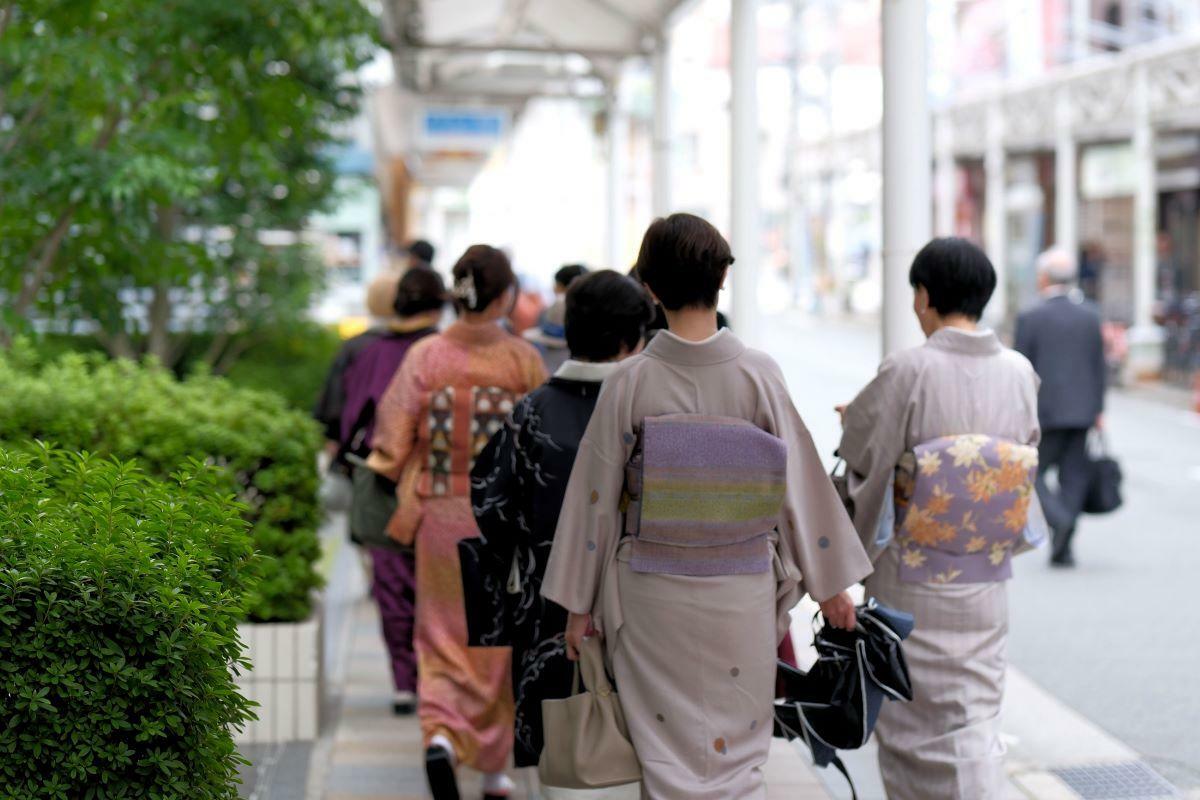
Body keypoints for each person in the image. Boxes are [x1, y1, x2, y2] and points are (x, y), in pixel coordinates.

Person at [542, 213, 872, 798]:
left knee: (663, 755)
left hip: (651, 593)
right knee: (739, 756)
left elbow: (594, 499)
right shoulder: (757, 374)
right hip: (739, 591)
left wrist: (576, 604)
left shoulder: (629, 382)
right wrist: (830, 586)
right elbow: (800, 487)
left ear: (649, 287)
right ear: (723, 277)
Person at [839, 237, 1042, 799]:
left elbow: (866, 460)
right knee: (974, 718)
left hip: (912, 579)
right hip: (985, 580)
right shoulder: (1020, 372)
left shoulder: (907, 369)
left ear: (924, 296)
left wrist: (854, 418)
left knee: (910, 726)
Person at [367, 245, 547, 800]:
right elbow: (539, 443)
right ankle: (494, 767)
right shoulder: (522, 359)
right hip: (501, 518)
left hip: (441, 513)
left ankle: (441, 735)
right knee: (495, 636)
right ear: (502, 297)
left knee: (441, 632)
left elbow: (392, 439)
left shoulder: (427, 356)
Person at [469, 270, 655, 772]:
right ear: (630, 338)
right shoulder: (652, 410)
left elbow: (490, 502)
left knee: (561, 745)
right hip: (645, 603)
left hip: (546, 600)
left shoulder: (531, 412)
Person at [337, 267, 446, 716]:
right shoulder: (446, 351)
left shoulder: (369, 352)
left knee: (393, 585)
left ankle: (405, 682)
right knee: (439, 588)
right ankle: (437, 677)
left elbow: (348, 423)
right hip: (442, 483)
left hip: (386, 481)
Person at [1014, 247, 1106, 567]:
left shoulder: (1030, 316)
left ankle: (1058, 521)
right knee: (1073, 477)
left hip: (1045, 411)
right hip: (1082, 410)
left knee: (1031, 472)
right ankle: (1063, 546)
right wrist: (1098, 409)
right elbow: (1099, 365)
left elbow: (1020, 370)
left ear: (1043, 277)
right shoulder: (1091, 314)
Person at [313, 271, 406, 460]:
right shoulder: (413, 345)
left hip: (356, 445)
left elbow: (334, 399)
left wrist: (333, 438)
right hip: (398, 445)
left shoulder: (354, 346)